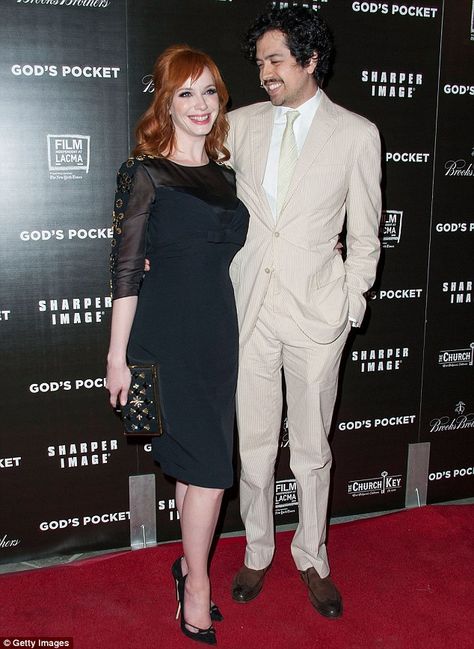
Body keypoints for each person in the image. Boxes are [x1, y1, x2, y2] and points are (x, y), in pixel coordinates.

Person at [228, 6, 381, 618]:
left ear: (310, 60)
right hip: (251, 310)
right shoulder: (236, 126)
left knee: (312, 449)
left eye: (275, 60)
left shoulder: (355, 134)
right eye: (259, 60)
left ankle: (312, 555)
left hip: (319, 314)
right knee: (257, 442)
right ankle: (258, 550)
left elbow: (365, 234)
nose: (263, 71)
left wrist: (350, 303)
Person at [106, 45, 249, 645]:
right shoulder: (144, 172)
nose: (199, 104)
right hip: (163, 336)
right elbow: (126, 270)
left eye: (209, 91)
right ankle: (196, 587)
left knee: (200, 471)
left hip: (218, 333)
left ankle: (188, 569)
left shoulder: (227, 175)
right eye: (184, 93)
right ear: (165, 102)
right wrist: (117, 357)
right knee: (212, 473)